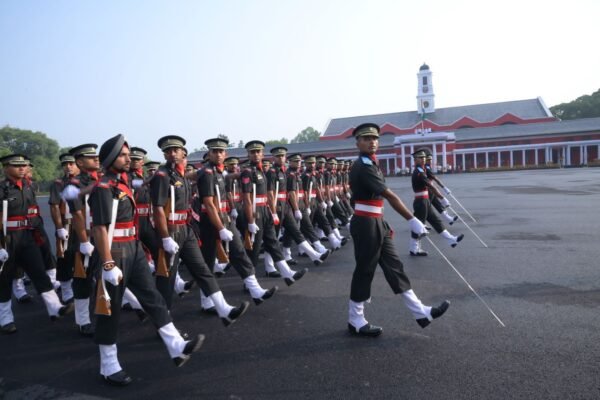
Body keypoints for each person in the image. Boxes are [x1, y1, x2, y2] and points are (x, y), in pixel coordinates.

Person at [89, 134, 204, 386]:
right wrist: (107, 263)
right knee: (110, 309)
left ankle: (176, 346)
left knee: (152, 296)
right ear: (110, 159)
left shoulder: (121, 183)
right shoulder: (103, 188)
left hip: (133, 247)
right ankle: (108, 365)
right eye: (122, 155)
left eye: (128, 154)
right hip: (114, 251)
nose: (128, 158)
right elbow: (99, 228)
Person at [347, 123, 450, 337]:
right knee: (365, 270)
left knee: (395, 267)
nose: (372, 142)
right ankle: (355, 319)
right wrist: (412, 219)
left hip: (375, 221)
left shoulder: (371, 163)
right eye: (366, 139)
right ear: (358, 143)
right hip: (366, 224)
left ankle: (420, 312)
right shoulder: (364, 166)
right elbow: (389, 195)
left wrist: (381, 221)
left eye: (375, 138)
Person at [149, 135, 249, 324]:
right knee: (166, 278)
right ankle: (163, 321)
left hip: (186, 230)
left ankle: (224, 309)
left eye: (176, 150)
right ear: (164, 154)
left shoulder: (180, 175)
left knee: (202, 269)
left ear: (183, 153)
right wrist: (165, 237)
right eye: (168, 151)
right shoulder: (162, 176)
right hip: (171, 230)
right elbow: (158, 209)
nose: (172, 154)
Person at [195, 138, 278, 304]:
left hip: (224, 218)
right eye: (214, 151)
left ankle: (255, 290)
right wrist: (220, 228)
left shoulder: (219, 172)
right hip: (210, 222)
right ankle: (206, 300)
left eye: (221, 152)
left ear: (225, 154)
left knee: (239, 252)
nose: (218, 155)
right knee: (208, 261)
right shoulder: (207, 173)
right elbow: (209, 204)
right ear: (209, 154)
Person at [0, 154, 73, 334]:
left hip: (27, 235)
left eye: (24, 165)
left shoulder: (27, 186)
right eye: (16, 165)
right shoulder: (2, 188)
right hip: (7, 238)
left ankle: (55, 308)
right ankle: (5, 318)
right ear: (5, 168)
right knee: (4, 279)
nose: (22, 168)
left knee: (39, 272)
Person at [239, 140, 307, 284]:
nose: (256, 154)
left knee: (273, 242)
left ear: (262, 154)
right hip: (255, 212)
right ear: (248, 155)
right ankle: (249, 283)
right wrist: (250, 221)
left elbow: (268, 196)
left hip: (265, 211)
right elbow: (247, 198)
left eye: (258, 152)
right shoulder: (247, 172)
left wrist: (272, 212)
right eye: (252, 152)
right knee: (254, 249)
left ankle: (287, 274)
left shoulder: (261, 171)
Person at [410, 148, 464, 256]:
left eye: (424, 157)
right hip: (421, 202)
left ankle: (451, 239)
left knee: (436, 221)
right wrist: (442, 198)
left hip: (425, 201)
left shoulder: (422, 170)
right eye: (420, 158)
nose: (423, 159)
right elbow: (430, 186)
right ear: (415, 160)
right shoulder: (419, 172)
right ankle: (414, 248)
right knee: (418, 226)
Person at [48, 152, 80, 304]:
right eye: (65, 164)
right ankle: (66, 290)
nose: (68, 167)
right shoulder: (59, 183)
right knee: (64, 257)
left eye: (71, 163)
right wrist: (59, 227)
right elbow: (54, 206)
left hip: (85, 224)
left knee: (86, 256)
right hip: (67, 224)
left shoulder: (85, 181)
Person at [425, 153, 458, 226]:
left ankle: (448, 219)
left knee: (437, 204)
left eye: (431, 159)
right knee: (425, 208)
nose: (430, 161)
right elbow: (435, 178)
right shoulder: (426, 168)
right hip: (427, 190)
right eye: (428, 160)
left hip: (429, 189)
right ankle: (420, 223)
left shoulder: (427, 167)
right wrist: (444, 188)